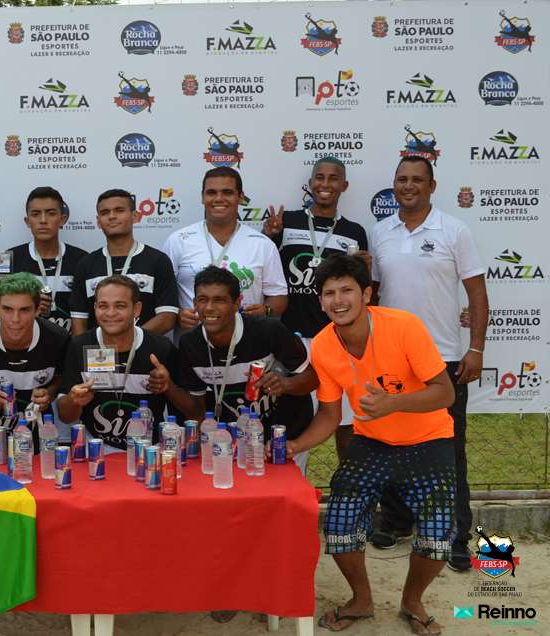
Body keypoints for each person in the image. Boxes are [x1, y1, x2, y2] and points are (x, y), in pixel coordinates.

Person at [284, 254, 455, 635]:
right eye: (329, 293)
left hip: (429, 441)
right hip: (372, 441)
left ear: (366, 294)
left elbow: (445, 394)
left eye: (347, 290)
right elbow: (329, 415)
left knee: (438, 532)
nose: (337, 300)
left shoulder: (404, 327)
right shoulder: (325, 345)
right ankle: (361, 600)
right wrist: (296, 445)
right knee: (340, 521)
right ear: (320, 300)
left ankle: (413, 601)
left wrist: (393, 403)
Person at [369, 156, 489, 572]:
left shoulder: (454, 230)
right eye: (401, 179)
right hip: (391, 361)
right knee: (392, 443)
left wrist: (475, 348)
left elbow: (476, 293)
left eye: (417, 180)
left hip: (443, 360)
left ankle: (457, 536)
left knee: (448, 452)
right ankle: (398, 521)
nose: (408, 186)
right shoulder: (381, 232)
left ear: (432, 186)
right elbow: (374, 296)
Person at [261, 157, 371, 461]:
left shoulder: (355, 231)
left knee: (346, 422)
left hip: (337, 339)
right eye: (319, 178)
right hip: (292, 340)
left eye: (333, 178)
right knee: (292, 420)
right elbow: (266, 270)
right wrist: (270, 235)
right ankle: (290, 487)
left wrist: (367, 271)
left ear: (344, 186)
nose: (325, 184)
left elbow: (363, 290)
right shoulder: (288, 222)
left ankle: (351, 493)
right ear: (310, 185)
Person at [177, 266, 317, 472]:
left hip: (281, 440)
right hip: (230, 444)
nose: (209, 307)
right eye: (202, 299)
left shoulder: (268, 331)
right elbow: (197, 408)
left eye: (219, 300)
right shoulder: (190, 344)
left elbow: (312, 378)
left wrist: (284, 384)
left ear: (237, 303)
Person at [58, 275, 191, 450]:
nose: (110, 313)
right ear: (95, 308)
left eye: (120, 306)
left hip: (149, 450)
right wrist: (74, 400)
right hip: (97, 450)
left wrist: (169, 386)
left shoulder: (161, 348)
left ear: (137, 309)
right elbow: (65, 416)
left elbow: (193, 411)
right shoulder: (80, 345)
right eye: (103, 306)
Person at [162, 167, 288, 333]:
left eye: (227, 192)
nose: (219, 199)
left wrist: (266, 310)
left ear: (240, 197)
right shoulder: (178, 240)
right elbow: (162, 295)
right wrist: (178, 314)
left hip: (247, 341)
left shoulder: (262, 244)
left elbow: (278, 295)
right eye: (211, 192)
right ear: (202, 197)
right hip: (193, 345)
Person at [0, 273, 70, 454]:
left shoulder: (58, 339)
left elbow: (62, 379)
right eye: (8, 309)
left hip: (38, 446)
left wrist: (49, 393)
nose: (15, 319)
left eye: (24, 310)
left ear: (37, 310)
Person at [68, 189, 179, 336]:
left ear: (135, 216)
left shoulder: (158, 260)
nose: (112, 216)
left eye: (119, 210)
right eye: (105, 212)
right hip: (100, 356)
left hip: (144, 352)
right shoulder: (86, 264)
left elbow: (167, 317)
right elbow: (79, 321)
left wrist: (130, 342)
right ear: (98, 221)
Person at [4, 187, 88, 332]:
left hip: (69, 347)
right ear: (27, 221)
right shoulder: (6, 258)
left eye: (51, 213)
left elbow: (90, 315)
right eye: (36, 214)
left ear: (62, 219)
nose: (43, 220)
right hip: (22, 345)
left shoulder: (84, 259)